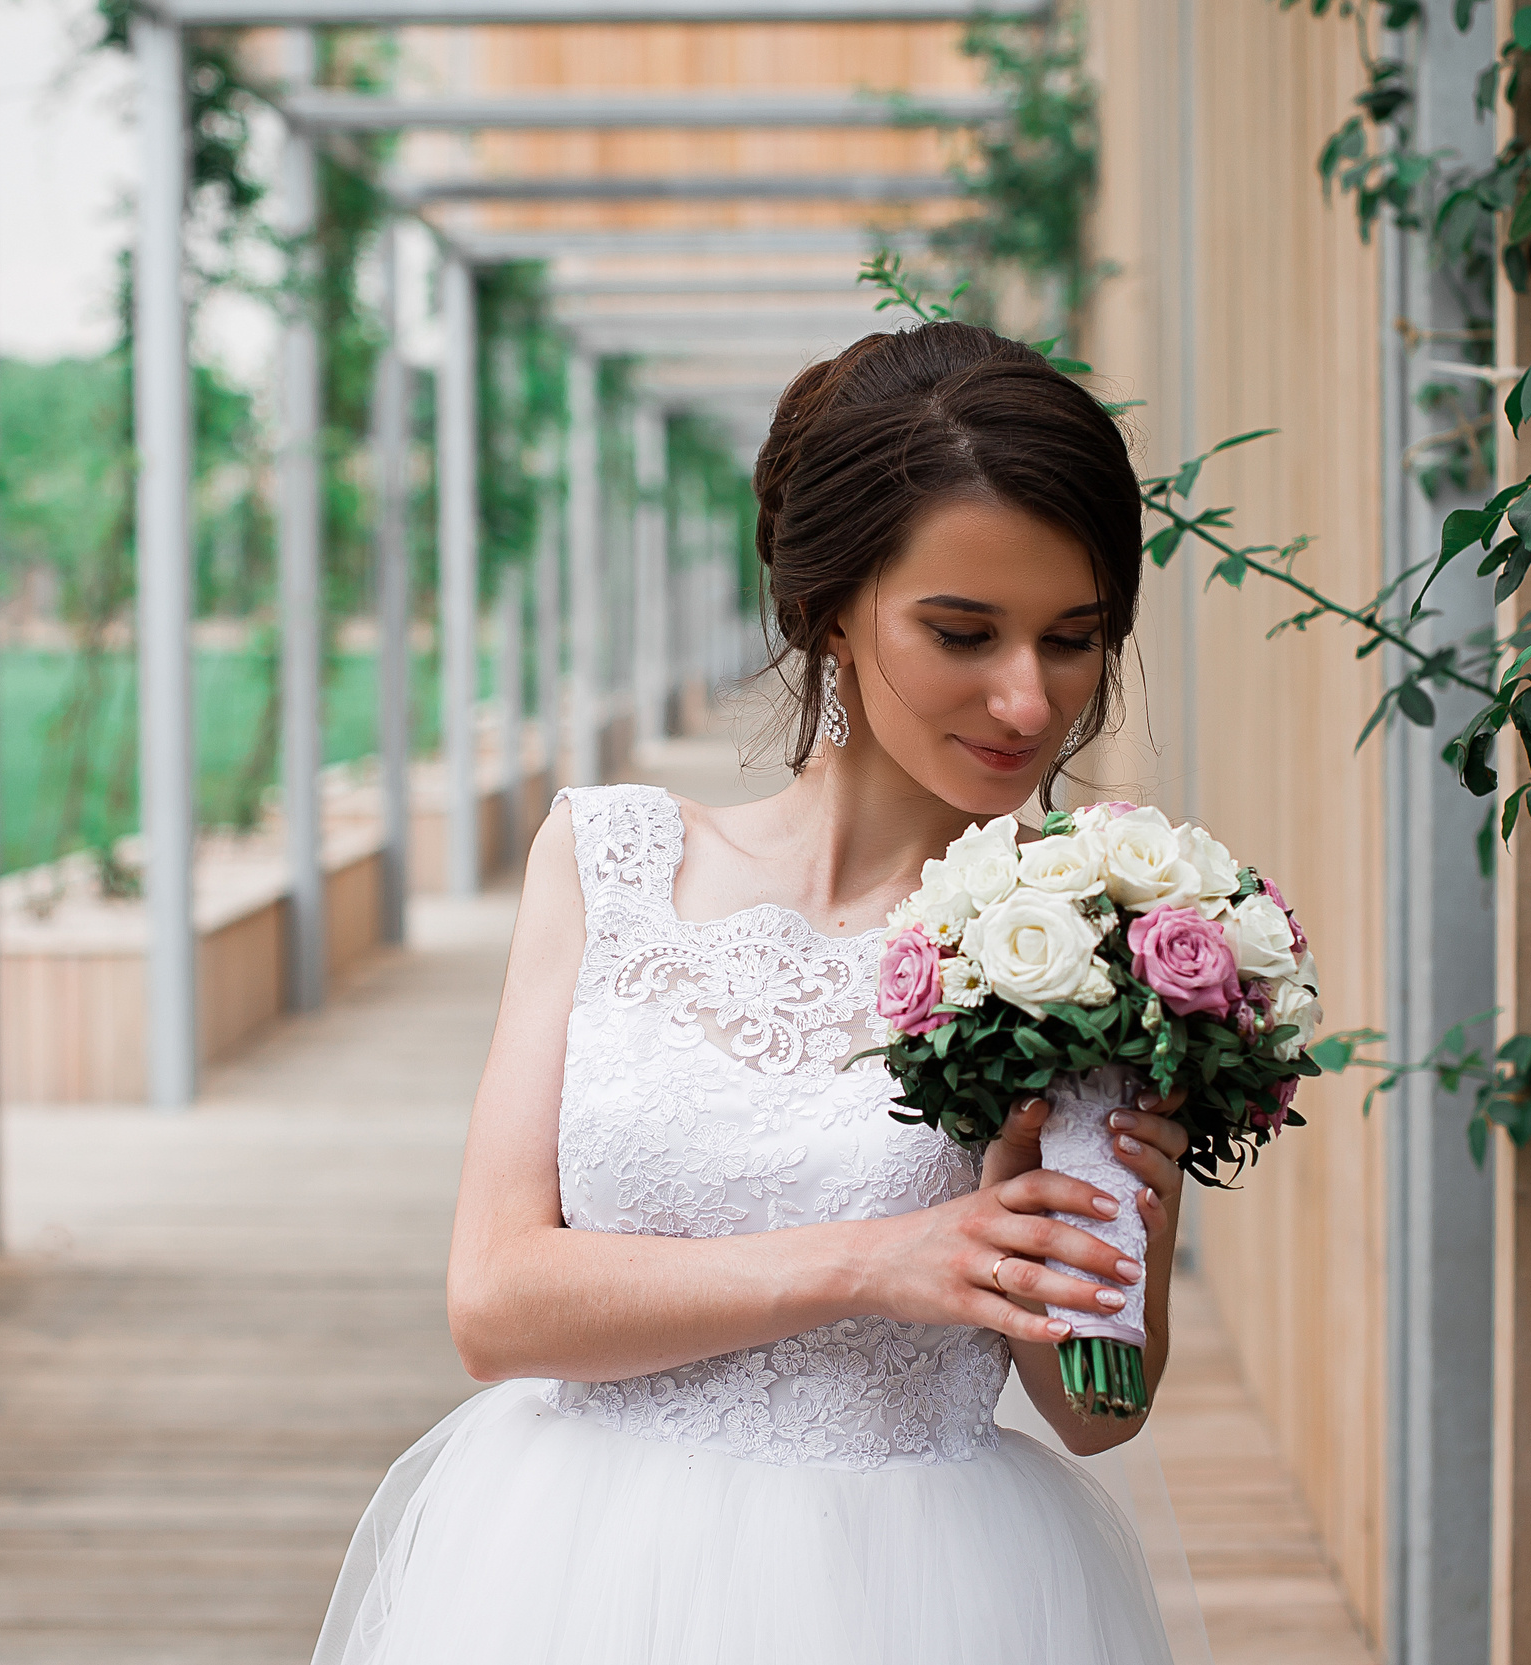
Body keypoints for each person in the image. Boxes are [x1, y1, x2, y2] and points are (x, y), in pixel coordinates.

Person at [313, 321, 1188, 1664]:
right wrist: (875, 1262)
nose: (1029, 698)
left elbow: (1094, 1412)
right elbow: (494, 1302)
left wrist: (1098, 1233)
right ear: (834, 605)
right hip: (571, 1581)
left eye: (1073, 639)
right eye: (965, 631)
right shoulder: (607, 860)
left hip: (929, 1597)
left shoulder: (1085, 942)